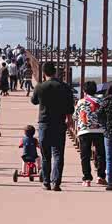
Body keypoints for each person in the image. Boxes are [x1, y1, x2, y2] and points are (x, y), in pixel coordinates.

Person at [31, 62, 74, 191]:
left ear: (44, 73)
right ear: (55, 72)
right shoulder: (64, 87)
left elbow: (34, 101)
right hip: (59, 123)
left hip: (44, 123)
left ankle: (46, 182)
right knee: (58, 154)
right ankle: (56, 182)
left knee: (46, 155)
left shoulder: (40, 87)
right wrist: (69, 119)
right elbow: (70, 106)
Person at [72, 81, 107, 187]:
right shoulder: (101, 101)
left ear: (84, 91)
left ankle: (87, 179)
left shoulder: (80, 102)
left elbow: (75, 116)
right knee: (101, 154)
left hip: (84, 131)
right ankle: (101, 177)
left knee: (85, 155)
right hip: (99, 130)